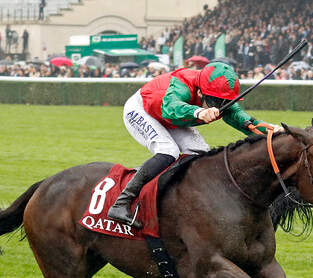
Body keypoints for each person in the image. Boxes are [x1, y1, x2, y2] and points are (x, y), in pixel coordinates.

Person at [107, 62, 282, 228]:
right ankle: (121, 203)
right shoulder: (182, 84)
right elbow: (170, 107)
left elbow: (238, 117)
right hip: (143, 110)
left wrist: (270, 132)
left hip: (172, 119)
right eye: (216, 102)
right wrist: (199, 111)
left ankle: (177, 200)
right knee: (168, 151)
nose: (221, 108)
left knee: (202, 155)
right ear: (200, 93)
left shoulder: (214, 93)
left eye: (224, 102)